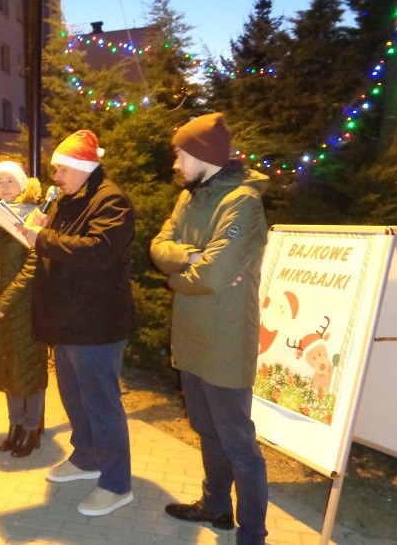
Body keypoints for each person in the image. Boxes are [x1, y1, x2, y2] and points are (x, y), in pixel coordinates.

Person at [149, 113, 269, 545]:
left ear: (203, 155)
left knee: (238, 445)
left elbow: (215, 275)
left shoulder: (243, 203)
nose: (176, 163)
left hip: (225, 342)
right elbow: (158, 247)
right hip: (191, 336)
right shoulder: (189, 198)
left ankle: (252, 533)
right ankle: (215, 505)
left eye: (180, 154)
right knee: (206, 430)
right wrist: (189, 257)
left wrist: (176, 277)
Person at [20, 129, 135, 516]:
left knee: (101, 404)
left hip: (96, 324)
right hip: (68, 320)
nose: (55, 177)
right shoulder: (68, 198)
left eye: (61, 170)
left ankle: (117, 484)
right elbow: (58, 240)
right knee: (75, 398)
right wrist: (38, 229)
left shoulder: (111, 200)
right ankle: (86, 457)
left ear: (83, 168)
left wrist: (42, 239)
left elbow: (99, 250)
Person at [0, 161, 47, 458]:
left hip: (24, 309)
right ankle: (15, 425)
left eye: (10, 181)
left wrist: (5, 303)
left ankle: (31, 428)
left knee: (29, 371)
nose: (4, 187)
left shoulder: (35, 218)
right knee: (7, 369)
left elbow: (33, 267)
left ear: (22, 185)